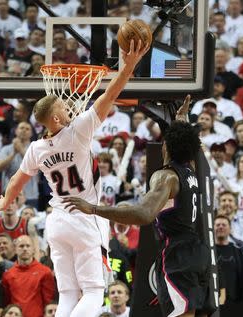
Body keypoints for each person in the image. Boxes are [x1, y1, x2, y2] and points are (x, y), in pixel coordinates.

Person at [0, 39, 149, 317]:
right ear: (55, 118)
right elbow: (110, 95)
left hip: (57, 221)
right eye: (63, 107)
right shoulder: (78, 131)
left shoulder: (37, 148)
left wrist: (4, 201)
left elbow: (17, 179)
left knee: (67, 294)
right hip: (84, 216)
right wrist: (128, 67)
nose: (68, 107)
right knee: (93, 293)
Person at [63, 101, 213, 317]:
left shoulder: (166, 176)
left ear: (166, 146)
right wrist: (181, 120)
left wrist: (94, 209)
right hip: (198, 252)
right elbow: (186, 142)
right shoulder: (190, 170)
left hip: (178, 253)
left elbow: (143, 214)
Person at [1, 235, 55, 317]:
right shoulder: (8, 275)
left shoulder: (45, 272)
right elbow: (7, 303)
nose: (25, 249)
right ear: (15, 249)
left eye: (28, 246)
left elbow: (48, 302)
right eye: (21, 246)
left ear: (33, 249)